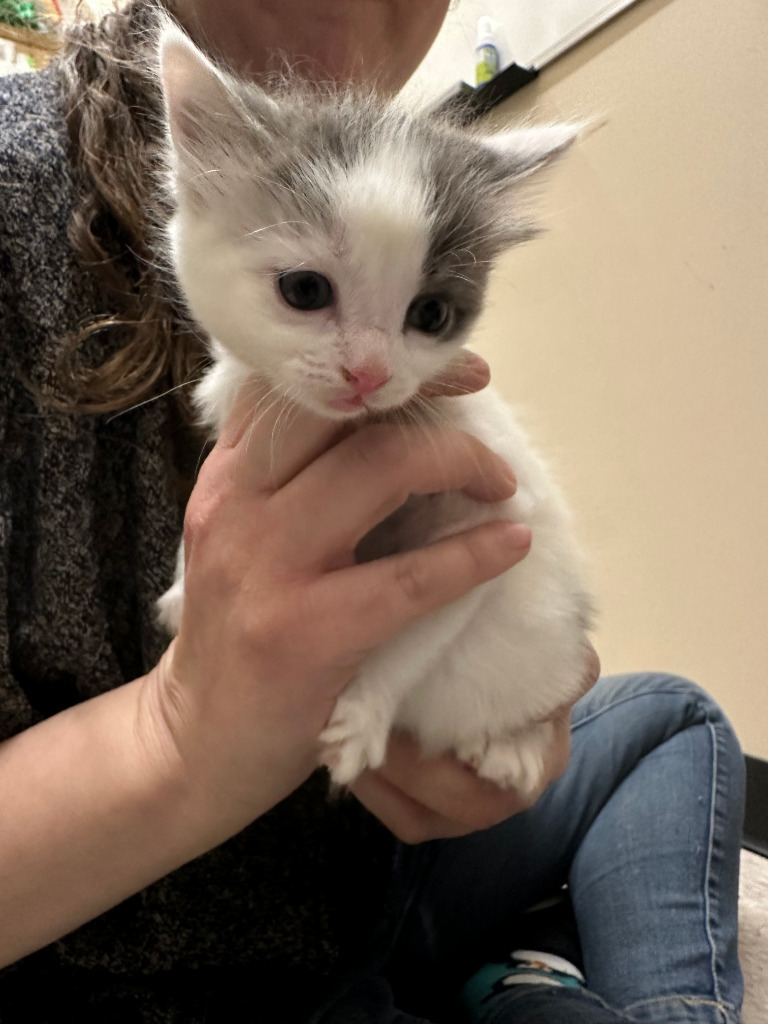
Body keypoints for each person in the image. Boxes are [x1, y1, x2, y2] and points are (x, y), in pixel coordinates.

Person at [0, 1, 745, 1021]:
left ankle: (532, 961)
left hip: (383, 872)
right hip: (197, 978)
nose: (365, 370)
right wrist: (183, 733)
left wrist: (513, 694)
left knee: (676, 716)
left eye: (426, 316)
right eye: (307, 289)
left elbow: (484, 570)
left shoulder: (383, 229)